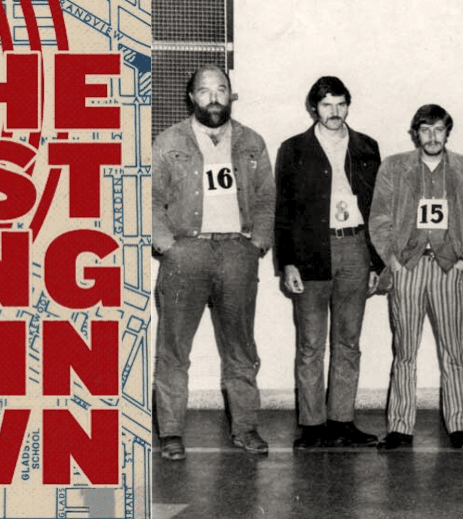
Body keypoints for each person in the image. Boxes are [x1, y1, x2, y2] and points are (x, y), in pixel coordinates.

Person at [150, 65, 274, 459]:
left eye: (221, 89)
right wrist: (167, 245)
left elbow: (267, 198)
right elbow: (150, 197)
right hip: (186, 253)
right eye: (205, 91)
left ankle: (246, 428)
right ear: (191, 97)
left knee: (241, 348)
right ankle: (171, 432)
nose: (214, 97)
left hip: (238, 253)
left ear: (230, 94)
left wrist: (257, 243)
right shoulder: (169, 141)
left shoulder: (252, 141)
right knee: (174, 349)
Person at [274, 76, 383, 449]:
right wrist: (288, 262)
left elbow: (377, 207)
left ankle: (342, 420)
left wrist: (376, 261)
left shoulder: (367, 146)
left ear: (348, 105)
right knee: (310, 344)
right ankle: (312, 425)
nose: (334, 112)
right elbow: (283, 210)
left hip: (355, 247)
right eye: (326, 105)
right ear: (313, 108)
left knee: (348, 341)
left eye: (340, 104)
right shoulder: (294, 149)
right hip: (311, 252)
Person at [368, 105, 463, 450]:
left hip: (449, 269)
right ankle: (400, 427)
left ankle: (458, 426)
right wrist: (392, 261)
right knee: (404, 352)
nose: (432, 136)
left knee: (453, 351)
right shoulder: (394, 166)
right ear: (415, 133)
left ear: (447, 132)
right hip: (409, 268)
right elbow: (379, 218)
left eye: (439, 129)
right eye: (425, 130)